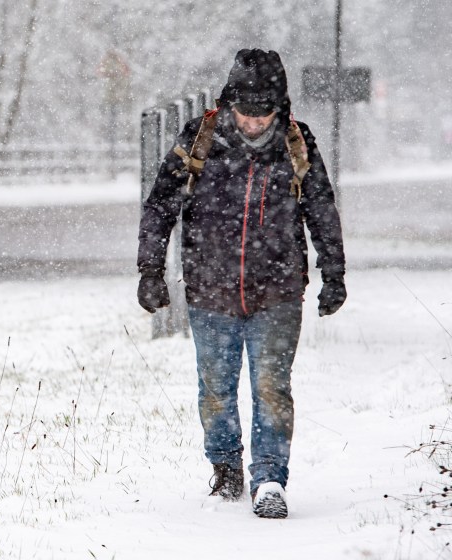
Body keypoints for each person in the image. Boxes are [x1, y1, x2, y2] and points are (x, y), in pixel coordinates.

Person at [136, 48, 346, 519]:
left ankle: (270, 478)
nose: (253, 123)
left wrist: (334, 272)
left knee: (272, 387)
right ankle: (226, 465)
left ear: (279, 108)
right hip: (210, 290)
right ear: (230, 103)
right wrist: (150, 271)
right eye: (245, 113)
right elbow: (160, 206)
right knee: (215, 388)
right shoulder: (200, 138)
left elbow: (322, 209)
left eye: (262, 114)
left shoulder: (297, 142)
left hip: (279, 291)